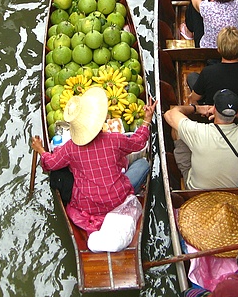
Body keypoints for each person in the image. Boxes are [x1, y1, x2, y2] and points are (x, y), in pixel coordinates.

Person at [31, 87, 156, 233]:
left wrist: (41, 149)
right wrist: (147, 119)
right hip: (118, 198)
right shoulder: (114, 139)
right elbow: (139, 141)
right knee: (142, 163)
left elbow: (50, 163)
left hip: (88, 205)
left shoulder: (70, 148)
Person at [164, 89, 238, 189]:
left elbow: (170, 114)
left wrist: (196, 108)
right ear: (235, 113)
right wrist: (234, 111)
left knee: (176, 130)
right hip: (233, 193)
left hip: (197, 191)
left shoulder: (198, 131)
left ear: (214, 109)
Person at [187, 27, 238, 110]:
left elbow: (195, 98)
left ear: (219, 50)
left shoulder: (208, 72)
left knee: (192, 77)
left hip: (214, 111)